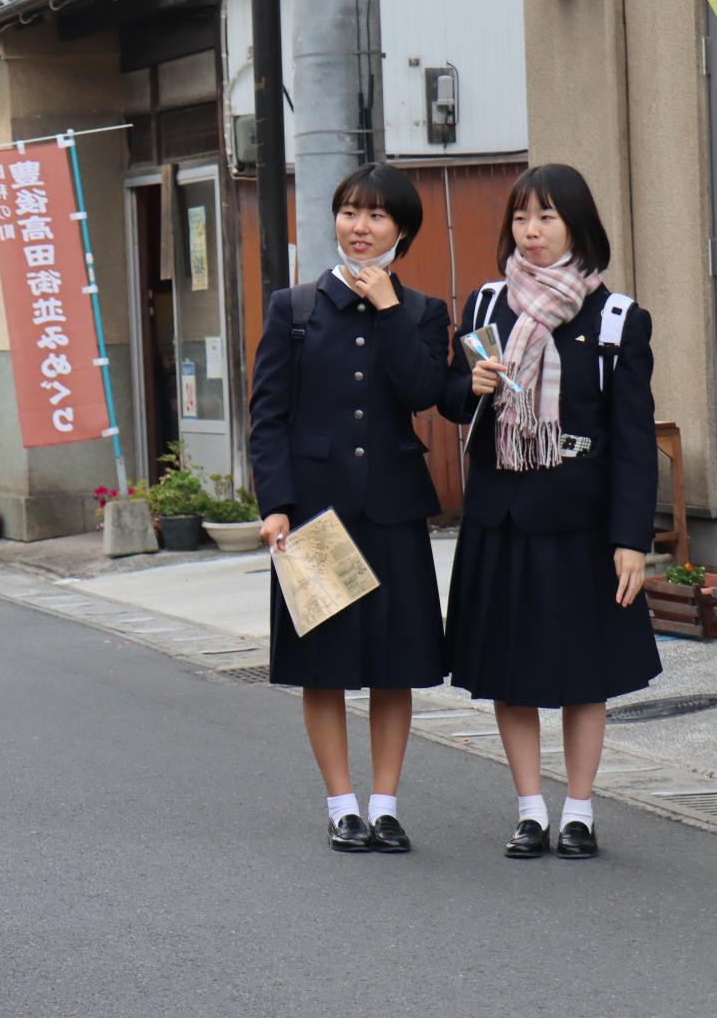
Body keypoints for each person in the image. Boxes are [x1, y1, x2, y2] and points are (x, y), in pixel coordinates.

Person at [440, 163, 660, 861]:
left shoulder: (616, 317)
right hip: (502, 513)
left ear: (577, 226)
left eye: (547, 219)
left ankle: (581, 811)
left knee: (582, 672)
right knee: (512, 669)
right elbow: (452, 404)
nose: (531, 232)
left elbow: (633, 439)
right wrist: (468, 385)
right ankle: (530, 808)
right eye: (521, 218)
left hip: (581, 521)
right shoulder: (484, 307)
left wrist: (632, 538)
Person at [248, 166, 449, 854]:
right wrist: (274, 502)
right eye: (349, 212)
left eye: (377, 216)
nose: (359, 227)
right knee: (325, 665)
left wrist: (390, 306)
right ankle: (342, 805)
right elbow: (267, 416)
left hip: (393, 508)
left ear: (403, 230)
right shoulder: (295, 308)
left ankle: (385, 803)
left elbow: (423, 389)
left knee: (395, 664)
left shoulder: (424, 311)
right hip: (314, 513)